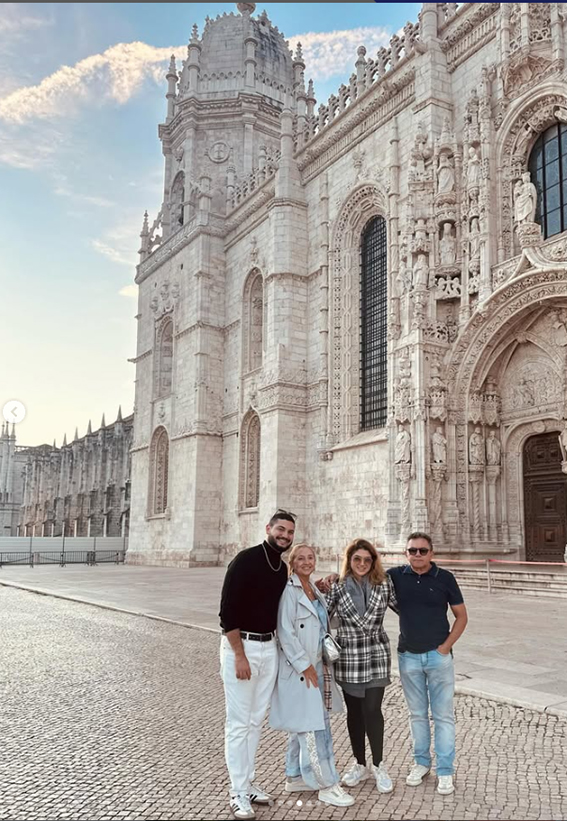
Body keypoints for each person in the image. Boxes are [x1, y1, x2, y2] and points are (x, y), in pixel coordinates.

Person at [219, 510, 296, 820]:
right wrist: (239, 656)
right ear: (268, 528)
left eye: (290, 532)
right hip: (243, 648)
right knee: (238, 724)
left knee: (253, 722)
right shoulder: (245, 560)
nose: (285, 536)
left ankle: (247, 783)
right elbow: (227, 613)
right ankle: (237, 792)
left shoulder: (281, 567)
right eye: (281, 530)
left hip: (268, 647)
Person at [270, 544, 354, 808]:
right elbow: (285, 632)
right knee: (315, 727)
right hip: (302, 669)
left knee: (303, 724)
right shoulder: (290, 591)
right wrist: (304, 665)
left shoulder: (313, 588)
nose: (307, 562)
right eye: (301, 558)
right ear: (292, 563)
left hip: (318, 665)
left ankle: (294, 775)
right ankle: (326, 785)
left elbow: (322, 621)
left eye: (310, 558)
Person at [388, 533, 468, 796]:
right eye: (412, 550)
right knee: (417, 715)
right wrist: (333, 578)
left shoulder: (445, 578)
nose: (417, 555)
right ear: (406, 553)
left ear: (432, 553)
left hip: (438, 657)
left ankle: (445, 770)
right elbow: (365, 576)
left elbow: (461, 616)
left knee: (443, 716)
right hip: (408, 656)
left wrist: (445, 647)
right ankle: (421, 763)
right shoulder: (395, 576)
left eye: (422, 550)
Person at [325, 539, 398, 794]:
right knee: (354, 713)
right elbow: (321, 615)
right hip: (350, 658)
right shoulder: (338, 586)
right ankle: (359, 764)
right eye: (357, 559)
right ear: (349, 560)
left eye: (367, 559)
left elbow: (405, 609)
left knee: (372, 710)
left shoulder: (384, 583)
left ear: (373, 561)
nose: (362, 564)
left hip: (377, 654)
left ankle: (378, 765)